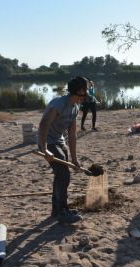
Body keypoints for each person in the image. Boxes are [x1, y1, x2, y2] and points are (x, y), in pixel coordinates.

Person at [38, 76, 89, 224]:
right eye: (85, 90)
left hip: (60, 141)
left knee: (60, 175)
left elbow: (72, 134)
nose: (87, 93)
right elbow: (43, 124)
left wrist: (74, 158)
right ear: (79, 90)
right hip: (47, 142)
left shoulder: (75, 107)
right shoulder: (59, 104)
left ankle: (57, 209)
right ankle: (62, 211)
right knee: (64, 175)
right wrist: (44, 149)